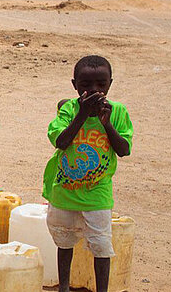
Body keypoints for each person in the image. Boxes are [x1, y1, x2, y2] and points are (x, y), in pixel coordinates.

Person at [45, 55, 132, 292]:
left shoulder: (118, 112)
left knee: (102, 246)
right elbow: (61, 142)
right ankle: (63, 286)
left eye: (101, 85)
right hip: (65, 190)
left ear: (110, 84)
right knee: (64, 241)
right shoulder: (68, 110)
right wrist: (82, 114)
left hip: (97, 193)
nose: (94, 90)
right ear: (75, 85)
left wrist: (106, 124)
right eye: (85, 85)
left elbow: (124, 150)